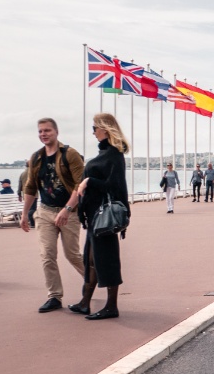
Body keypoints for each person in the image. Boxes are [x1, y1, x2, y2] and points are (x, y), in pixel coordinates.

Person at [62, 112, 131, 320]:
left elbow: (114, 186)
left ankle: (111, 306)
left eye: (94, 128)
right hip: (94, 216)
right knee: (91, 260)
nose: (92, 132)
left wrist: (88, 181)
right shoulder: (104, 155)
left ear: (105, 129)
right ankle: (85, 302)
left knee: (107, 260)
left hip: (104, 217)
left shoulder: (114, 155)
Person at [21, 117, 86, 313]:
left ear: (56, 132)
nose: (43, 134)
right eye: (40, 131)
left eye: (47, 130)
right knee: (47, 255)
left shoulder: (70, 154)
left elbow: (80, 184)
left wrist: (67, 209)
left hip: (69, 212)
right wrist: (25, 214)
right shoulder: (36, 158)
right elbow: (31, 186)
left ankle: (93, 280)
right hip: (45, 212)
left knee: (72, 255)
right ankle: (54, 296)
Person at [18, 161, 35, 228]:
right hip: (34, 194)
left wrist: (19, 194)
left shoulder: (22, 174)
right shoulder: (33, 173)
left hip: (25, 194)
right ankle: (32, 222)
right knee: (33, 209)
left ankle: (30, 221)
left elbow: (20, 185)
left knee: (29, 208)